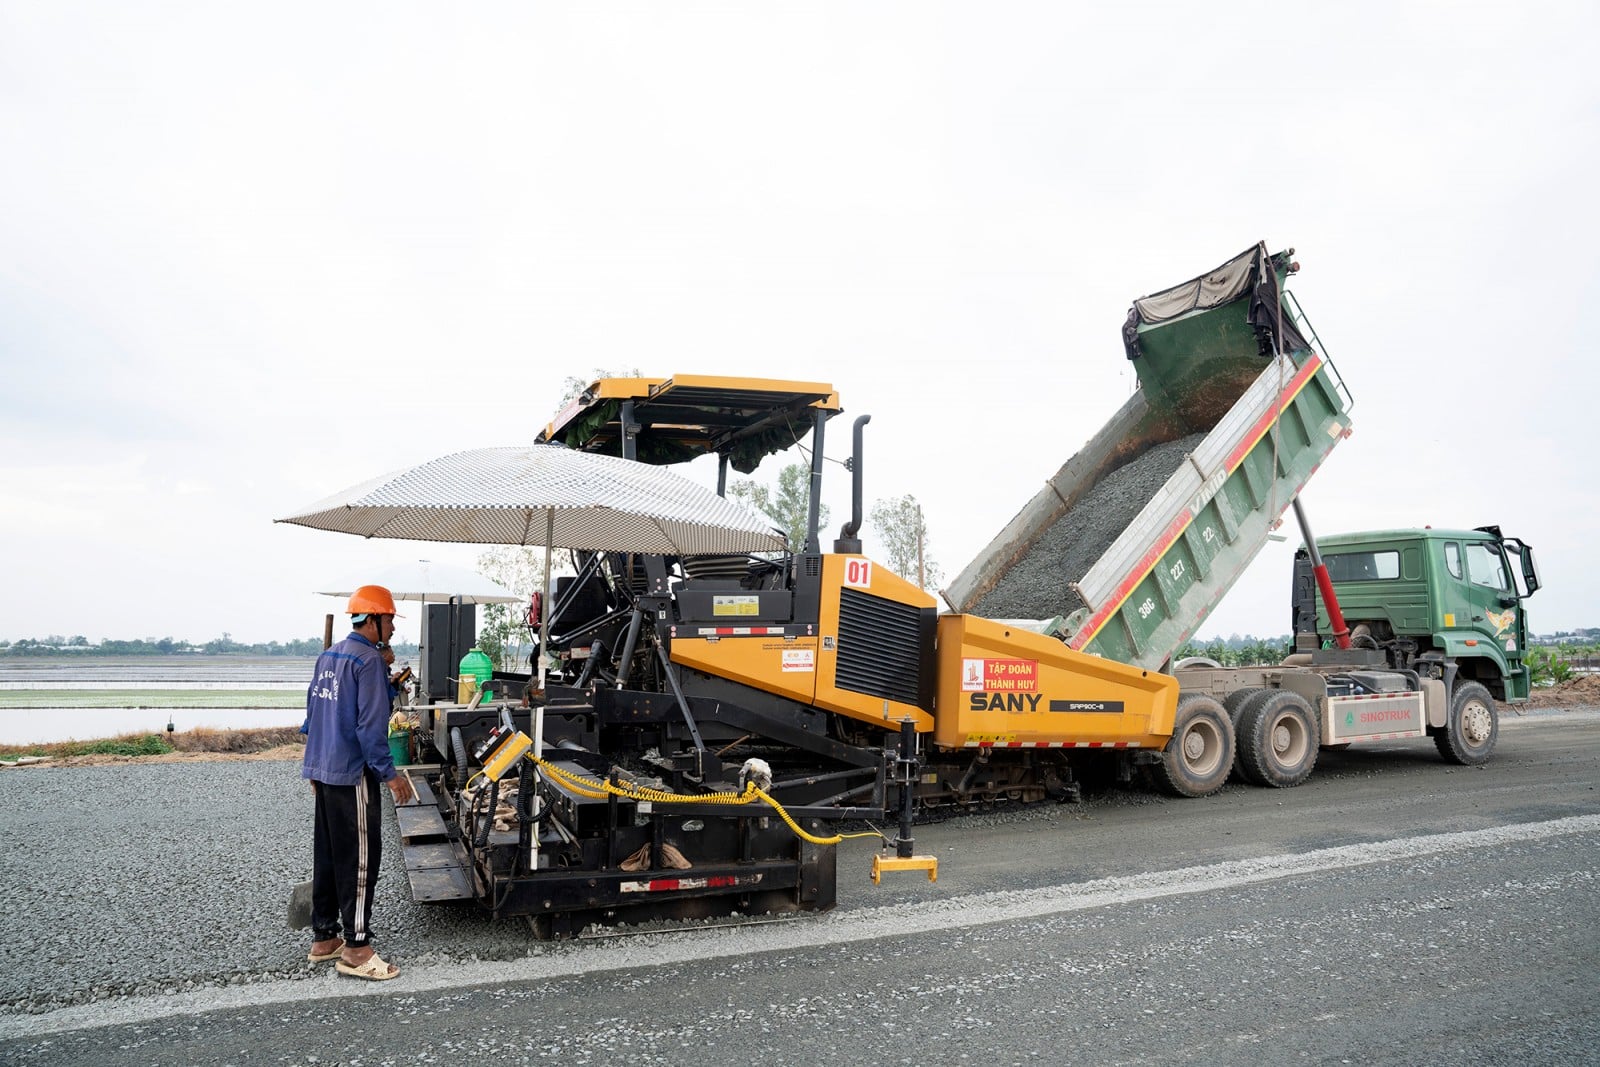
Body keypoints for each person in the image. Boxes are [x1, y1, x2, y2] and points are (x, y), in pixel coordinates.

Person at [302, 584, 416, 980]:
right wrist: (390, 774)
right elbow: (370, 727)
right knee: (361, 860)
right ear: (372, 620)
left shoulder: (330, 656)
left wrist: (313, 767)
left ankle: (324, 937)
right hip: (353, 773)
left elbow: (313, 715)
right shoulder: (366, 661)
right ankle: (357, 948)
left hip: (325, 769)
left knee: (330, 855)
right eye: (389, 621)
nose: (393, 629)